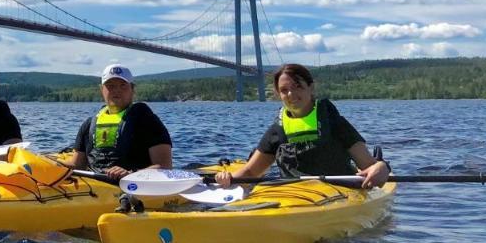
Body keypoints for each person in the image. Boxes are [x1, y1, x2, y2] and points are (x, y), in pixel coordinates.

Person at [214, 63, 390, 189]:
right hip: (295, 194)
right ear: (278, 94)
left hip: (341, 190)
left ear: (311, 88)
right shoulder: (278, 130)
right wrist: (227, 179)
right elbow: (251, 172)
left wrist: (381, 168)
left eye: (297, 87)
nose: (291, 94)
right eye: (284, 90)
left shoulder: (334, 122)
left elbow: (369, 165)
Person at [68, 64, 173, 180]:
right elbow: (77, 165)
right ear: (102, 90)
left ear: (132, 90)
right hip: (96, 186)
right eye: (110, 86)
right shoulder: (88, 124)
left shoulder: (147, 121)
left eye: (123, 85)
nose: (116, 91)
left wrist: (131, 174)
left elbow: (165, 167)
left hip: (133, 186)